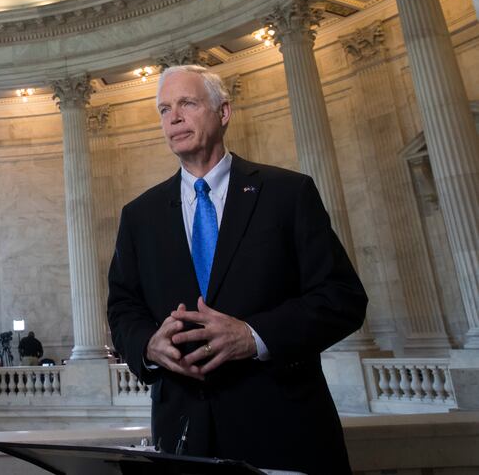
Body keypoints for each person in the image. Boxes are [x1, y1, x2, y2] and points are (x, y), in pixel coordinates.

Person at [107, 65, 367, 474]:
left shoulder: (287, 193)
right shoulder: (139, 216)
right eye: (163, 109)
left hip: (284, 432)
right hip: (184, 437)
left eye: (187, 104)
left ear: (223, 112)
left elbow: (342, 298)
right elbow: (123, 308)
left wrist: (252, 336)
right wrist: (146, 345)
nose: (173, 118)